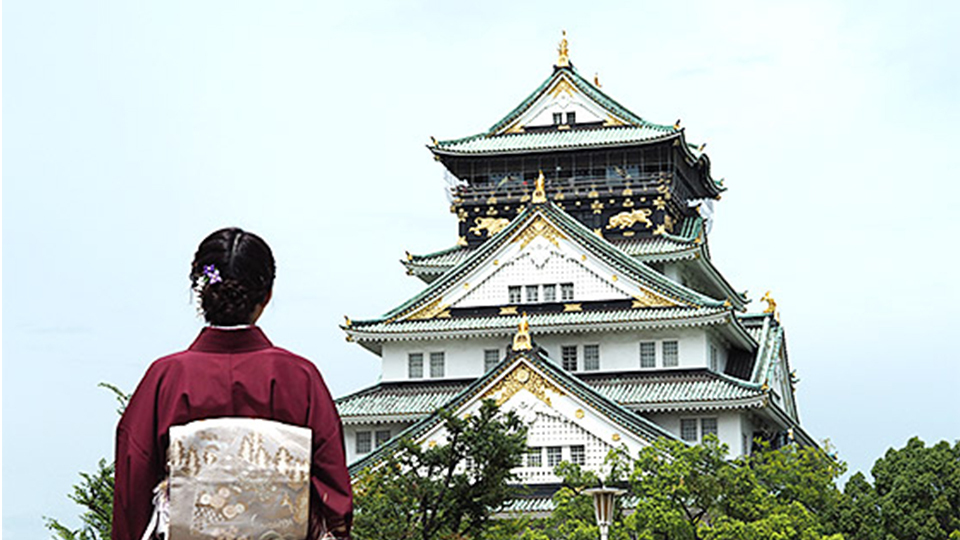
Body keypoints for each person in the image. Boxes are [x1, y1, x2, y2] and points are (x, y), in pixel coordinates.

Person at [113, 227, 352, 540]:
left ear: (202, 293)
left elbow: (133, 489)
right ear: (266, 295)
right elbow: (334, 495)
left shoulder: (164, 378)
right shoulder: (301, 378)